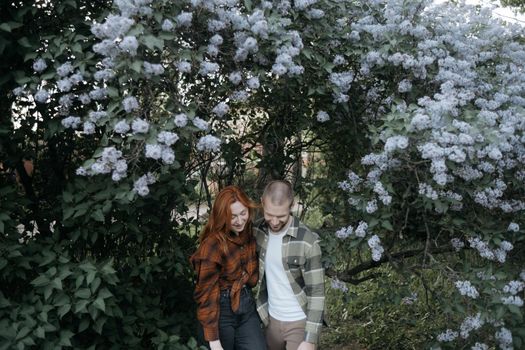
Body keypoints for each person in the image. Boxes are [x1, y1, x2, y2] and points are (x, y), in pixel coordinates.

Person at [190, 185, 267, 350]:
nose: (239, 221)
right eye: (232, 217)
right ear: (222, 216)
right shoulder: (212, 245)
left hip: (245, 304)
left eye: (243, 213)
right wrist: (213, 339)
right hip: (220, 309)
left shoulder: (249, 234)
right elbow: (206, 294)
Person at [254, 180, 325, 350]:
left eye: (281, 216)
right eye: (270, 215)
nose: (275, 221)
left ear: (292, 205)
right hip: (269, 318)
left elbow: (317, 292)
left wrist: (310, 339)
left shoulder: (307, 241)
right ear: (262, 203)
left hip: (298, 322)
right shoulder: (256, 232)